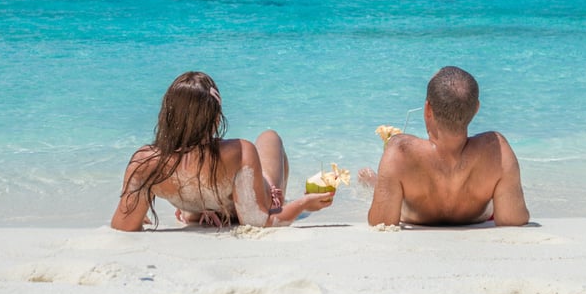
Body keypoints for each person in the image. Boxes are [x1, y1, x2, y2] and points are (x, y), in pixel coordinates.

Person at [111, 71, 335, 231]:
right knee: (270, 137)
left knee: (200, 196)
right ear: (217, 118)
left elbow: (123, 225)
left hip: (200, 205)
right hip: (249, 204)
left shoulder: (146, 162)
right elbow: (258, 221)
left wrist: (137, 216)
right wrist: (303, 204)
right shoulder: (238, 151)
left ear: (166, 117)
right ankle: (220, 208)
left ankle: (199, 212)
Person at [360, 66, 530, 227]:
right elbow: (513, 219)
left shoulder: (400, 152)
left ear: (427, 109)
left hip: (414, 216)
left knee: (384, 184)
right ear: (476, 109)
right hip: (476, 216)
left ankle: (375, 182)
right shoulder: (497, 149)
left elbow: (380, 222)